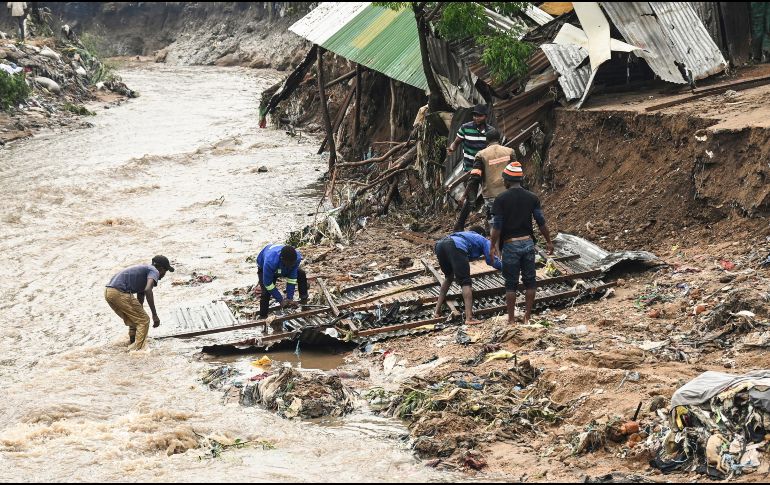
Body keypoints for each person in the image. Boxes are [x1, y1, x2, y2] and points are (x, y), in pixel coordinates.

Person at [490, 162, 554, 325]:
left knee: (511, 284)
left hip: (510, 245)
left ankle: (511, 319)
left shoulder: (500, 199)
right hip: (527, 244)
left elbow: (497, 226)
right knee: (530, 281)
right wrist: (548, 241)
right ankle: (527, 317)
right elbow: (541, 221)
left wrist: (492, 246)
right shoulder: (532, 197)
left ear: (507, 180)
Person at [433, 226, 502, 325]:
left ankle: (436, 311)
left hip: (440, 245)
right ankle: (469, 318)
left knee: (448, 277)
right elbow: (491, 260)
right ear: (482, 234)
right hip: (455, 246)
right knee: (466, 282)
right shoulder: (482, 239)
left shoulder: (465, 235)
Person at [105, 255, 174, 350]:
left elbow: (141, 294)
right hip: (120, 292)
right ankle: (137, 351)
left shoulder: (145, 270)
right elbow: (148, 289)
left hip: (109, 292)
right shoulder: (154, 271)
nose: (163, 275)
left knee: (136, 319)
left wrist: (139, 309)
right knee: (144, 320)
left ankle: (132, 342)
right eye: (165, 272)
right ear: (161, 269)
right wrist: (154, 315)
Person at [448, 104, 495, 232]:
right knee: (471, 200)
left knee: (489, 197)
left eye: (479, 116)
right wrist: (452, 148)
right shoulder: (466, 128)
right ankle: (459, 226)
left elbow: (494, 149)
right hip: (469, 170)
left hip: (486, 171)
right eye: (474, 115)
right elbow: (456, 142)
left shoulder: (490, 131)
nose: (476, 118)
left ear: (485, 117)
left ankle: (490, 226)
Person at [456, 128, 512, 231]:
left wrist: (464, 195)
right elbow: (516, 172)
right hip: (509, 193)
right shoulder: (509, 151)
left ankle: (496, 245)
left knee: (495, 224)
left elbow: (475, 178)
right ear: (499, 138)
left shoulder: (481, 155)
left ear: (487, 140)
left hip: (491, 195)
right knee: (510, 220)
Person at [256, 243, 308, 319]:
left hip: (282, 267)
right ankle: (263, 316)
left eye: (292, 264)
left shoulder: (297, 258)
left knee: (301, 274)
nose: (291, 266)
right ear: (282, 259)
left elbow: (292, 279)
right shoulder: (270, 261)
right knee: (266, 293)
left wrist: (289, 298)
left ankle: (304, 301)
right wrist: (280, 300)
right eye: (289, 264)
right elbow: (268, 284)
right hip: (266, 267)